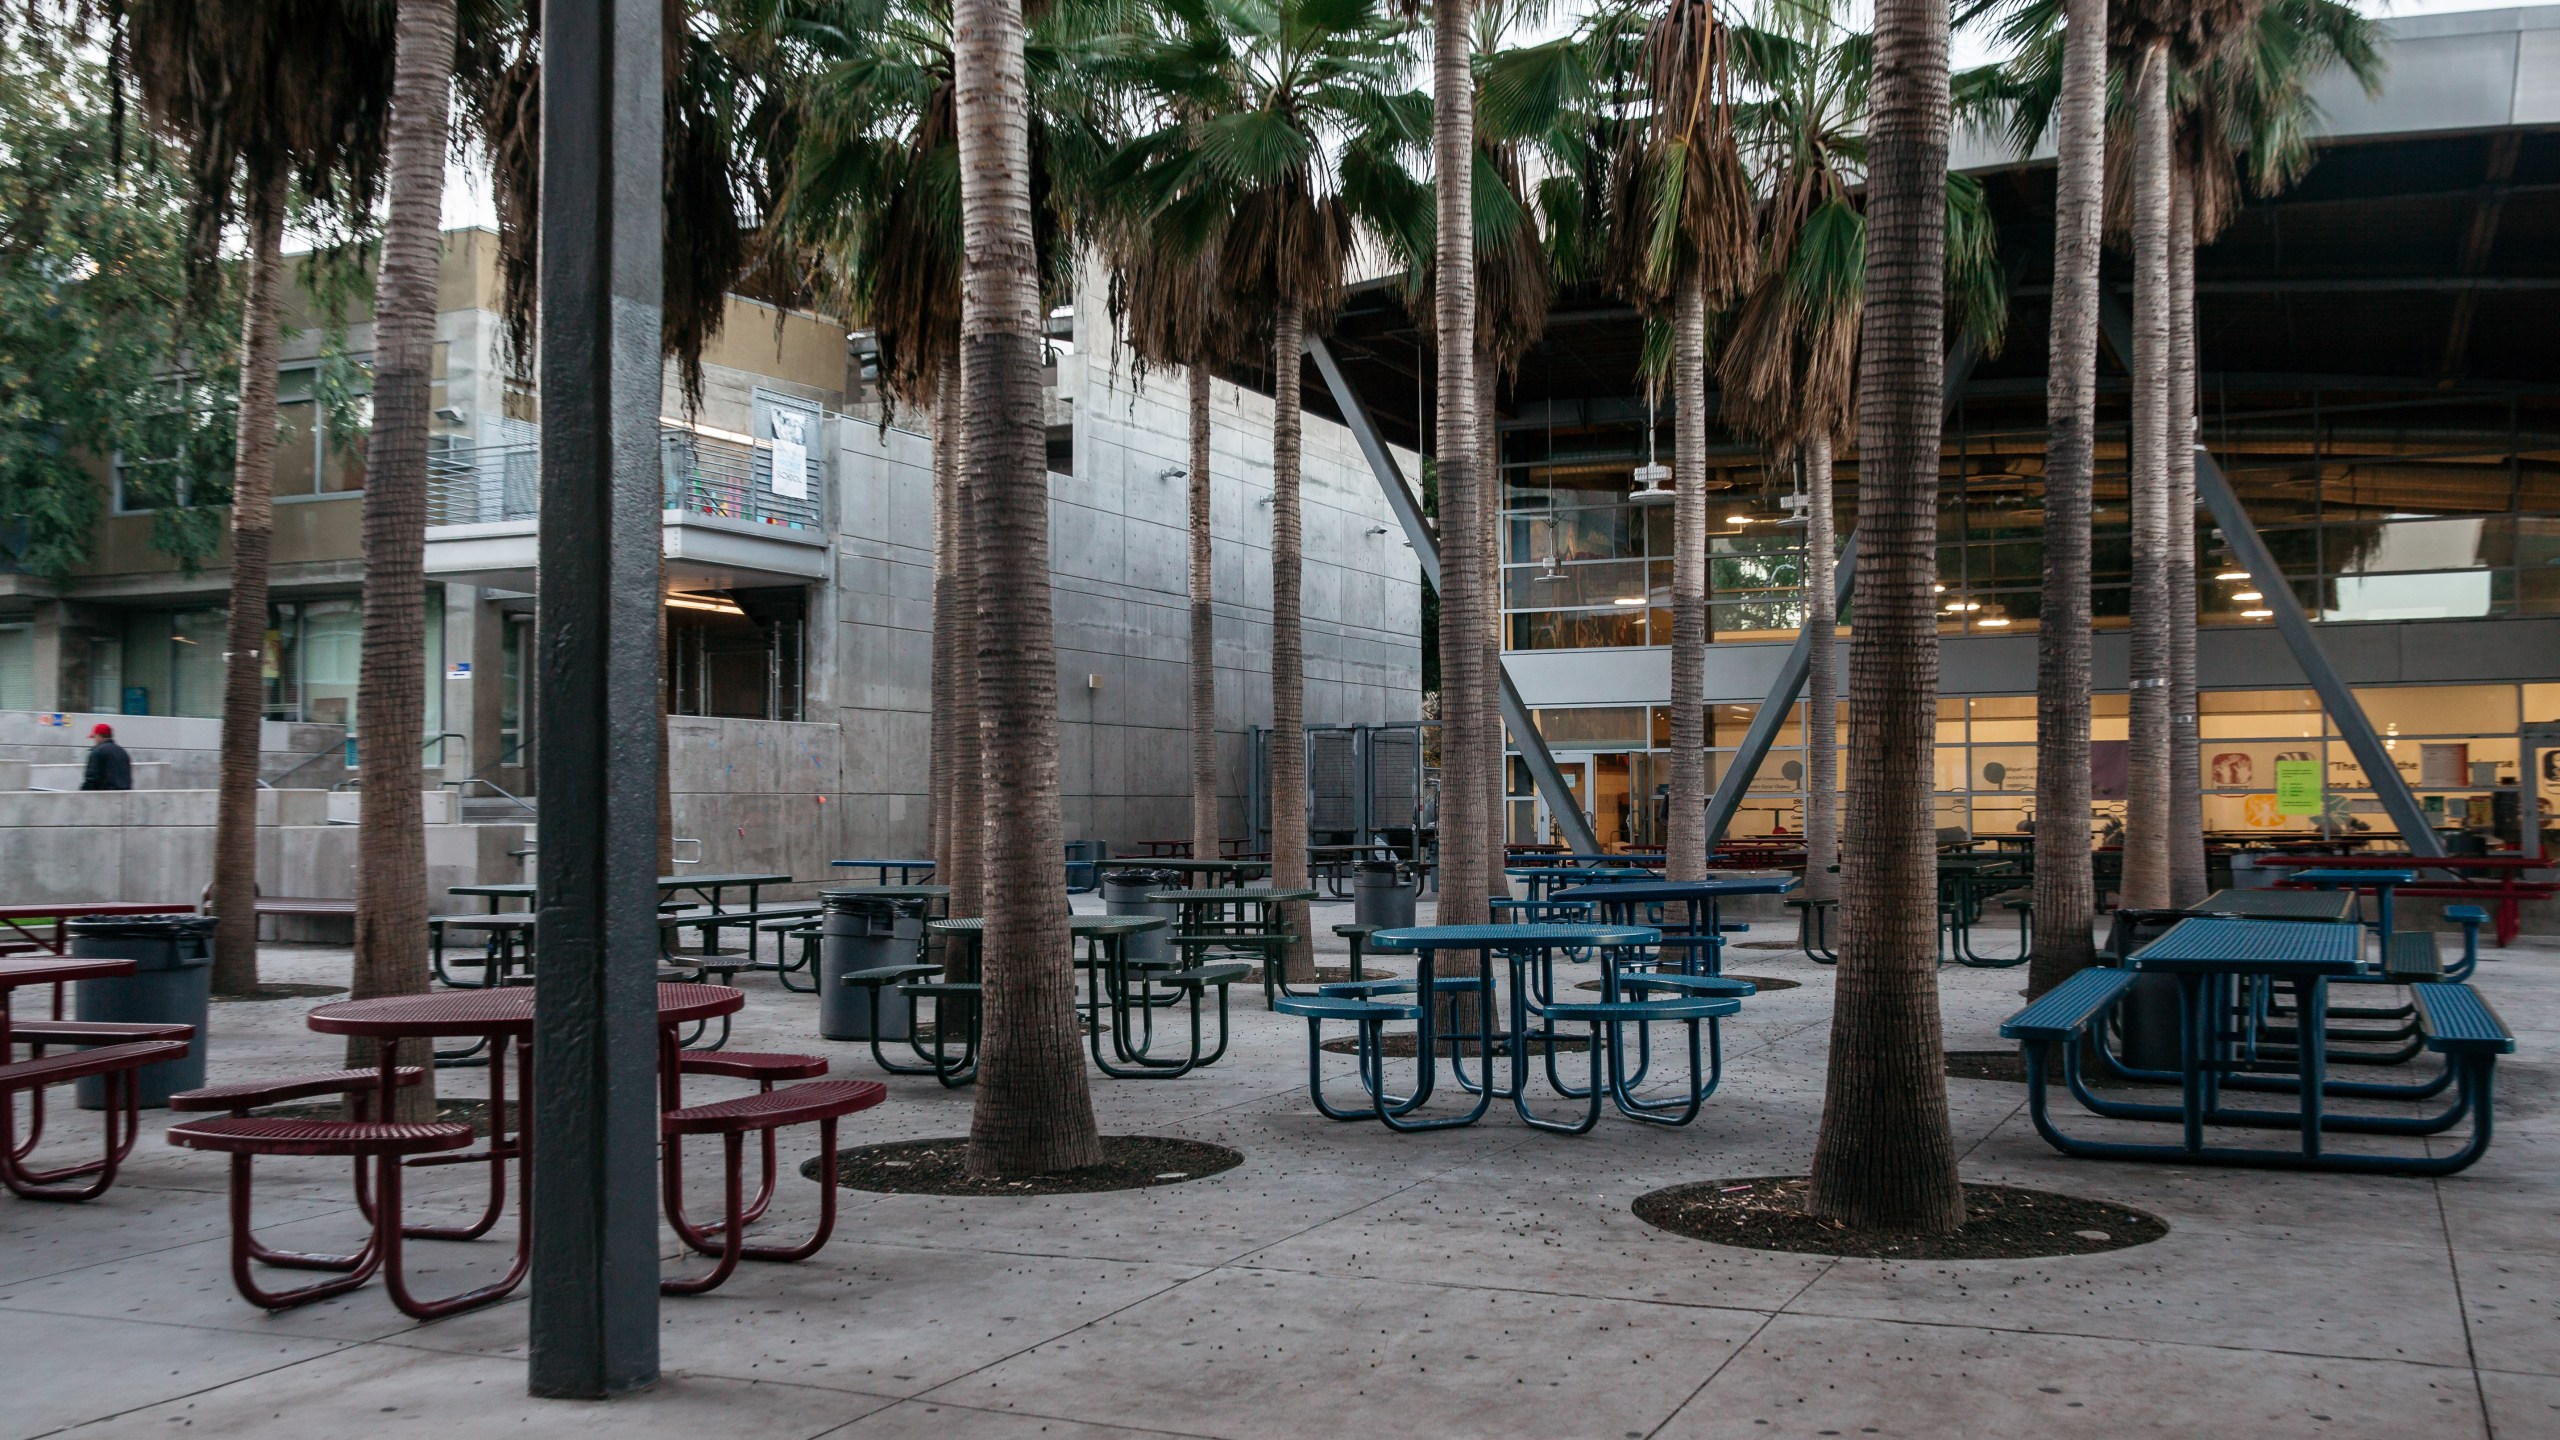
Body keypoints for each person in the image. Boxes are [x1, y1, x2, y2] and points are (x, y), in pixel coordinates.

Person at [82, 723, 133, 791]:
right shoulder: (122, 752)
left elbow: (91, 778)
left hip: (105, 796)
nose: (94, 740)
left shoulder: (97, 751)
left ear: (99, 736)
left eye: (94, 737)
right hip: (125, 796)